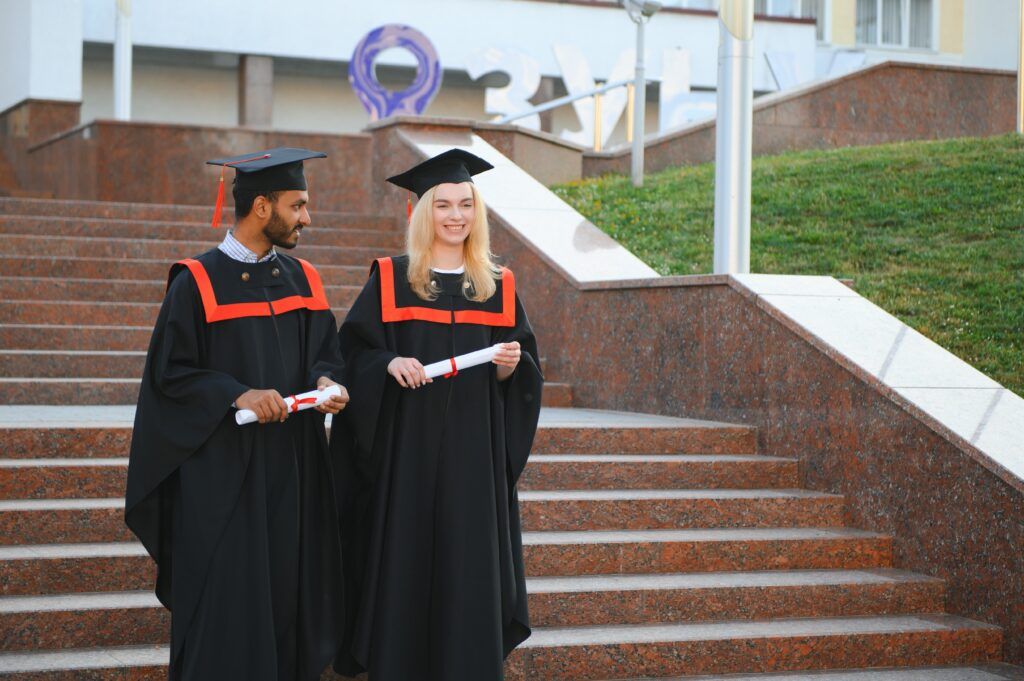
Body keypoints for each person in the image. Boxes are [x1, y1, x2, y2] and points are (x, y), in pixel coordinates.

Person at [125, 147, 350, 681]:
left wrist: (326, 382)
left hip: (294, 474)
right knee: (229, 606)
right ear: (262, 207)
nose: (307, 218)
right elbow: (169, 377)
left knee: (289, 597)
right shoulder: (197, 282)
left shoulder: (304, 279)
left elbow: (325, 352)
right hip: (225, 480)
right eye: (298, 206)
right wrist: (235, 393)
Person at [330, 148, 544, 681]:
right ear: (423, 212)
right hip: (408, 453)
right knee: (405, 558)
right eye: (444, 204)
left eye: (466, 205)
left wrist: (508, 368)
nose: (456, 216)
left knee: (466, 563)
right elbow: (350, 354)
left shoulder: (497, 285)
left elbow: (520, 377)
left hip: (473, 456)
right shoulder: (391, 279)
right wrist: (388, 361)